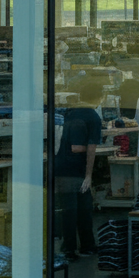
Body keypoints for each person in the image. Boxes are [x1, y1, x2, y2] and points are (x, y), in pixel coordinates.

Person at [55, 82, 102, 259]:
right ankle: (76, 247)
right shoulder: (93, 117)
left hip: (62, 166)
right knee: (76, 209)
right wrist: (89, 175)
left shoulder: (70, 112)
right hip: (74, 168)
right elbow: (83, 148)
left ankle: (79, 246)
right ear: (100, 98)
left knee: (76, 208)